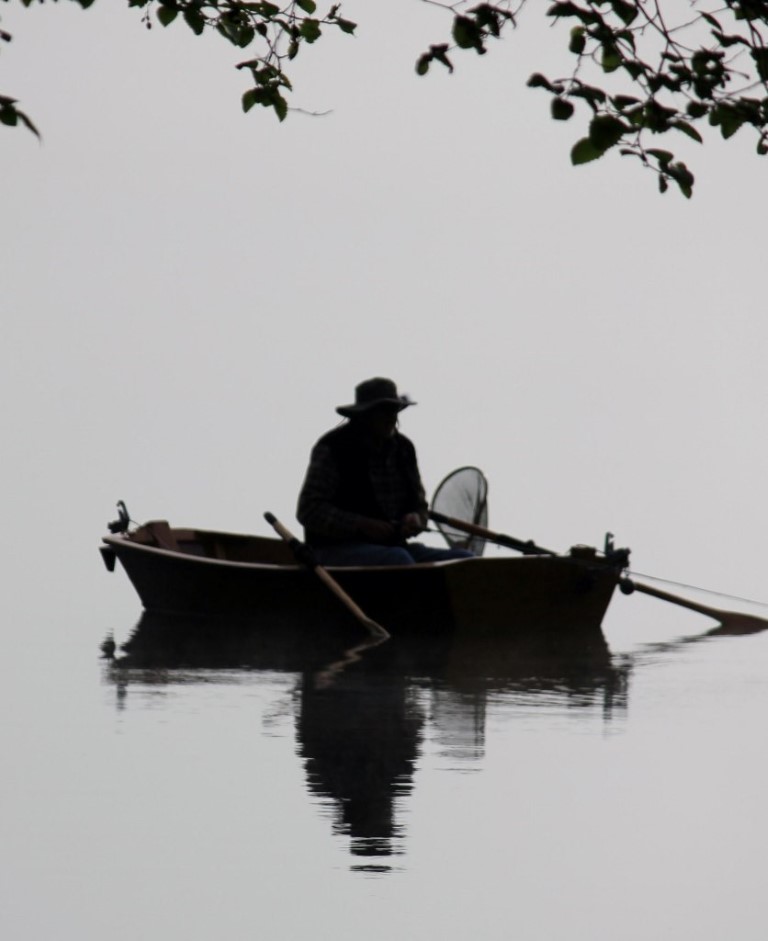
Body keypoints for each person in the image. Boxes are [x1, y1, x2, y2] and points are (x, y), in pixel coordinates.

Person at [296, 377, 474, 566]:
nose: (391, 417)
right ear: (364, 415)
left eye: (394, 410)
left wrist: (415, 519)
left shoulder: (404, 449)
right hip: (333, 552)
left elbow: (420, 506)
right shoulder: (333, 448)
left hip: (393, 548)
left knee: (466, 562)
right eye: (383, 411)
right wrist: (360, 524)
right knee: (398, 559)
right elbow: (309, 511)